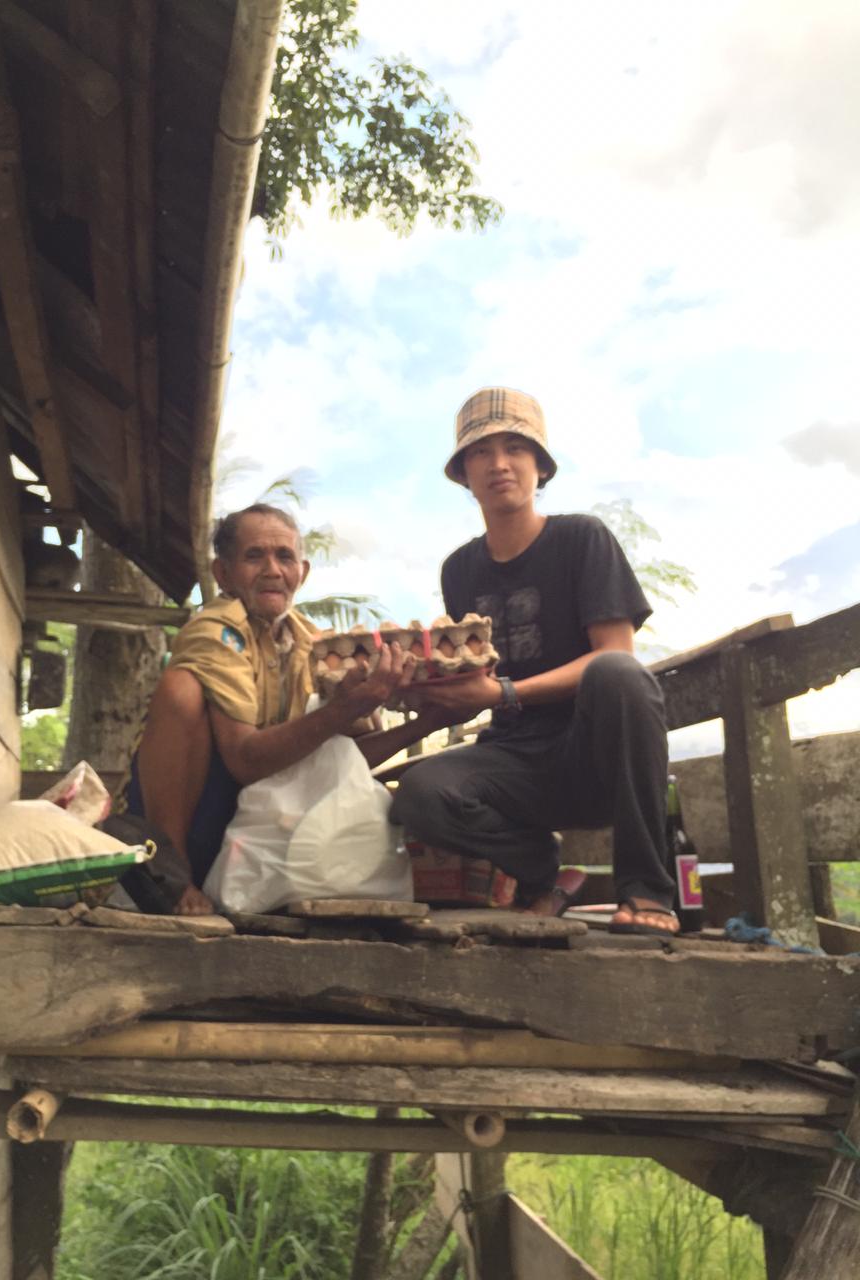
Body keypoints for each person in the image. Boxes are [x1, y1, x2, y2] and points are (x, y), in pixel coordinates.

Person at [391, 387, 678, 935]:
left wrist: (505, 693)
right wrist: (417, 689)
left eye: (515, 448)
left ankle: (646, 891)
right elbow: (474, 677)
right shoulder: (459, 570)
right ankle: (540, 868)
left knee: (618, 674)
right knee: (421, 794)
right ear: (463, 474)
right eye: (481, 452)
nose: (498, 464)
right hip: (514, 761)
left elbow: (615, 653)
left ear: (540, 466)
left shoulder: (582, 538)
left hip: (592, 757)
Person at [130, 503, 443, 915]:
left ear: (302, 572)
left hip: (256, 824)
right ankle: (172, 874)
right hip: (197, 814)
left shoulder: (310, 642)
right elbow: (244, 761)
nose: (273, 570)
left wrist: (428, 722)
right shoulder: (214, 632)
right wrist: (343, 709)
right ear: (223, 573)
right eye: (254, 556)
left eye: (285, 557)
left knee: (329, 739)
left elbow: (340, 760)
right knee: (182, 689)